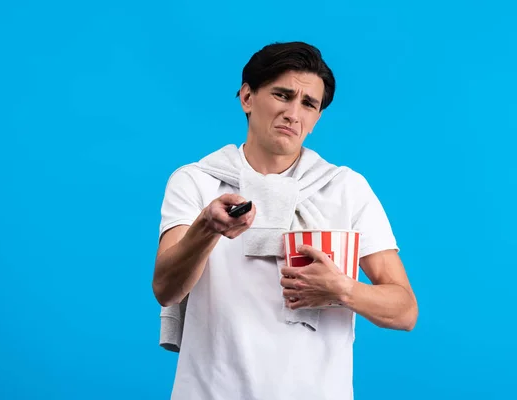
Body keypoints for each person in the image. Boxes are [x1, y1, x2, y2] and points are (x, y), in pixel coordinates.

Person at [152, 41, 418, 400]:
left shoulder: (346, 189)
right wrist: (206, 228)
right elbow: (165, 289)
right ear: (247, 97)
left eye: (308, 104)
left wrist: (343, 289)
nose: (294, 113)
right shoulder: (197, 182)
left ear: (316, 118)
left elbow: (405, 310)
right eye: (282, 95)